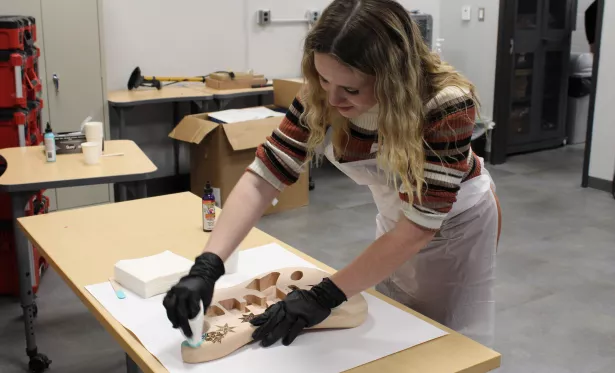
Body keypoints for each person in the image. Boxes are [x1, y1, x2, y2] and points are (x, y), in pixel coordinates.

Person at [164, 0, 501, 348]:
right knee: (398, 324)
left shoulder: (445, 103)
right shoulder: (321, 93)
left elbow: (419, 226)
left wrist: (324, 296)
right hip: (397, 219)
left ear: (392, 77)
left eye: (351, 90)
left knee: (444, 340)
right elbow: (263, 177)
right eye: (324, 79)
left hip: (456, 226)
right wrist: (207, 265)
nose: (334, 99)